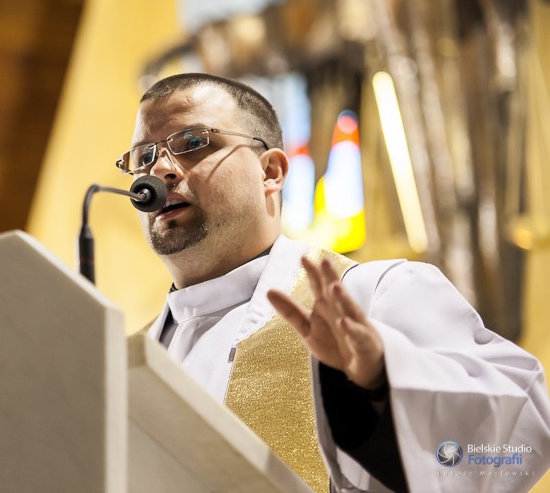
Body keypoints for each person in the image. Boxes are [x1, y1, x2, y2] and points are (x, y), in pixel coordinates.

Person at [118, 72, 550, 492]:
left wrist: (381, 384)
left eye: (193, 143)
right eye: (144, 158)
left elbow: (521, 428)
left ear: (271, 172)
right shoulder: (120, 363)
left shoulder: (372, 295)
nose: (161, 170)